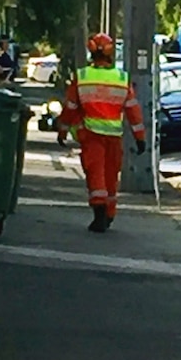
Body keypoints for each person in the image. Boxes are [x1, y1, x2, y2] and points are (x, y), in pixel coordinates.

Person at [57, 33, 147, 233]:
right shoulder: (121, 78)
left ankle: (99, 213)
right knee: (110, 175)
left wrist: (62, 131)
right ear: (111, 52)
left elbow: (70, 108)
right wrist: (140, 138)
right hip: (114, 136)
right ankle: (109, 213)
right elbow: (133, 110)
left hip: (91, 134)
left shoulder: (82, 77)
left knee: (95, 173)